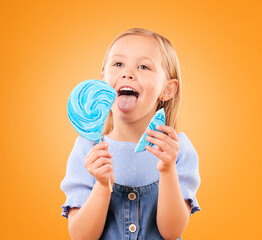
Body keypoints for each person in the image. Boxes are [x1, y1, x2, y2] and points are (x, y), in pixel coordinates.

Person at [60, 28, 201, 240]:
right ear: (102, 79)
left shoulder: (177, 149)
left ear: (167, 90)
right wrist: (101, 185)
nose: (128, 73)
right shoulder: (88, 149)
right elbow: (81, 236)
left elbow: (172, 232)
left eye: (143, 66)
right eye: (118, 64)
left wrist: (167, 170)